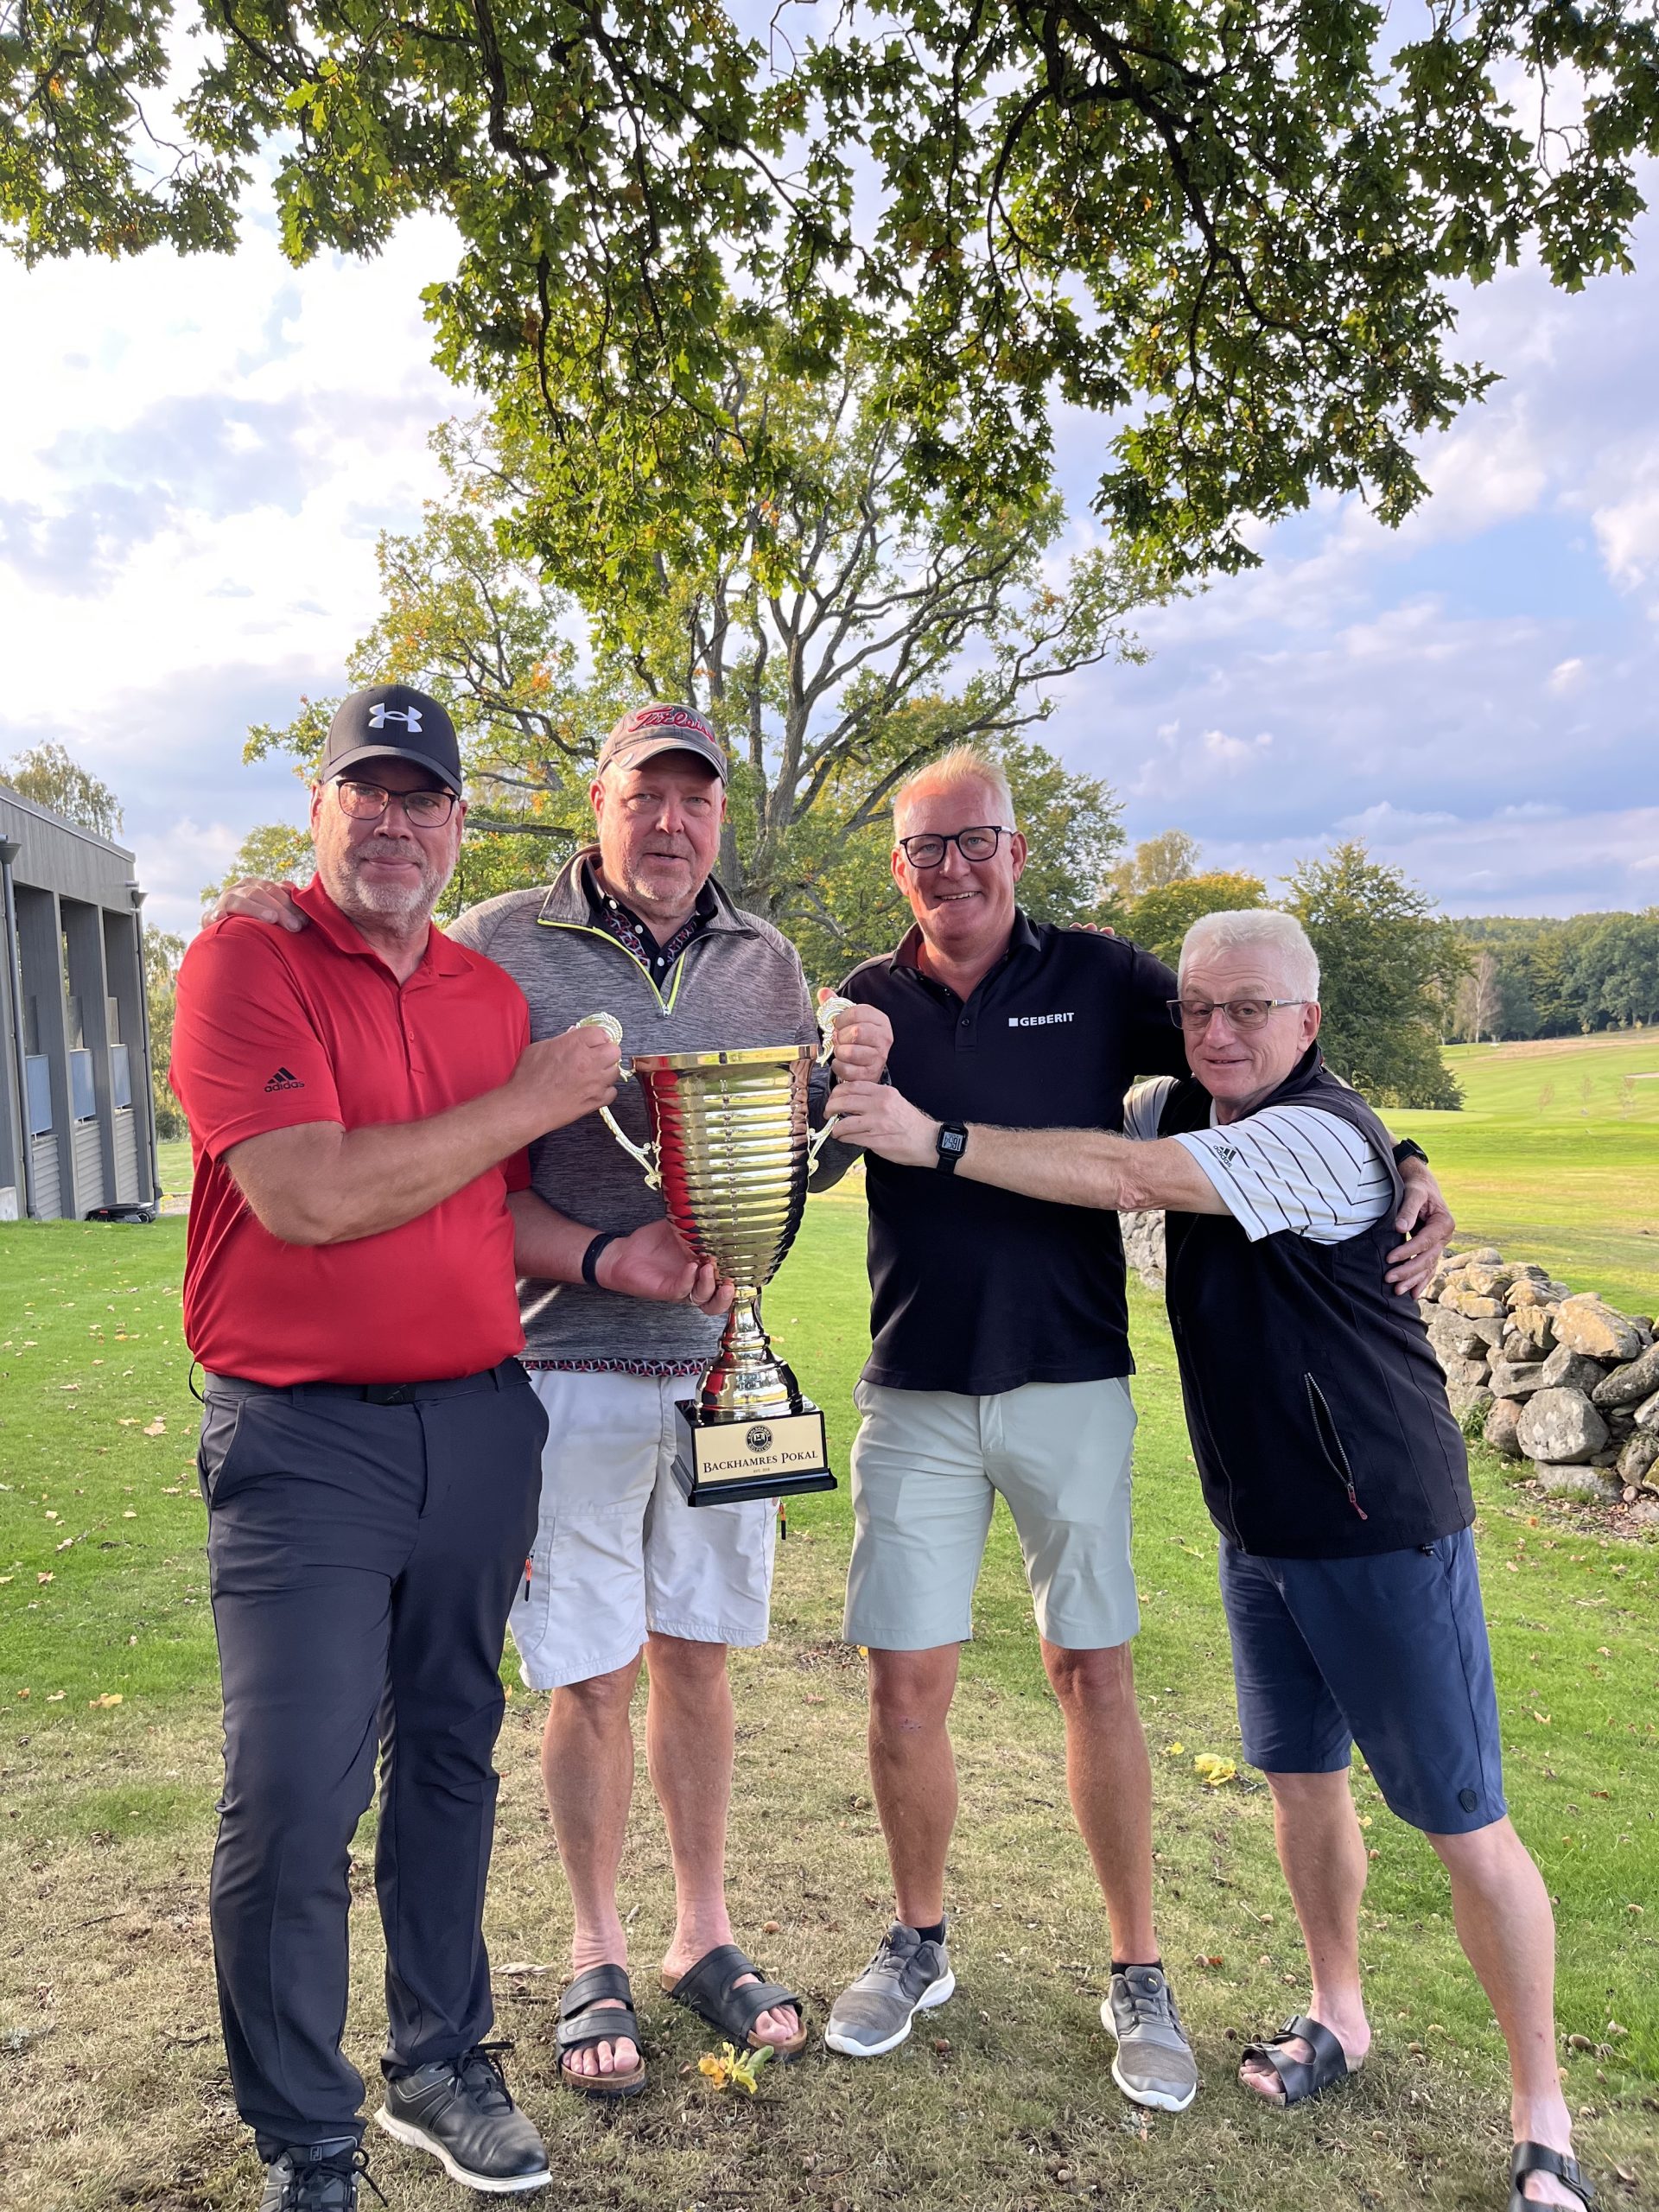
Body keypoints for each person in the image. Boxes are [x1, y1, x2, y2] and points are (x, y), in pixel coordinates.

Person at [828, 906, 1587, 2212]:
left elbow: (1127, 1181)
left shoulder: (1314, 1138)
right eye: (1200, 1009)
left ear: (1309, 1021)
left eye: (1251, 1009)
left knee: (1464, 1823)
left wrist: (932, 1139)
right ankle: (1335, 2016)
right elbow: (1077, 1148)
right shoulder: (1190, 1100)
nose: (1220, 1031)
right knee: (1305, 1789)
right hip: (1260, 1526)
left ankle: (1544, 2120)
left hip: (1377, 1522)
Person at [208, 701, 857, 2099]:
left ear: (722, 816)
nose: (672, 822)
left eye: (698, 798)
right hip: (561, 1366)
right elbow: (467, 1180)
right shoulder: (498, 941)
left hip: (720, 1363)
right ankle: (594, 1947)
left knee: (699, 1655)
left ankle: (703, 1933)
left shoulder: (769, 960)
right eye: (647, 795)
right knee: (589, 1671)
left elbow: (790, 1167)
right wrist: (609, 1253)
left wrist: (844, 1100)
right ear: (598, 804)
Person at [808, 749, 1452, 2111]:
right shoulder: (868, 999)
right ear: (897, 869)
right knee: (903, 1687)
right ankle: (918, 1943)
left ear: (1017, 849)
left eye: (974, 841)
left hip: (1070, 1381)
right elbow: (803, 1159)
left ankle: (1137, 1970)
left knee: (1091, 1674)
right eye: (925, 851)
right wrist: (828, 1059)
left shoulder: (1103, 977)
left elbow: (1264, 1052)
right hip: (913, 1387)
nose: (953, 869)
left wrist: (1403, 1159)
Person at [171, 684, 627, 2209]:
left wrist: (612, 1260)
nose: (393, 819)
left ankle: (443, 2060)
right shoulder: (247, 958)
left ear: (453, 828)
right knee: (297, 1791)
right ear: (320, 807)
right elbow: (306, 1194)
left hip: (483, 1423)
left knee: (452, 1756)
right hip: (304, 1445)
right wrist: (531, 1103)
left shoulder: (485, 998)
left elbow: (481, 1203)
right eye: (365, 789)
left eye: (422, 798)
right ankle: (308, 2134)